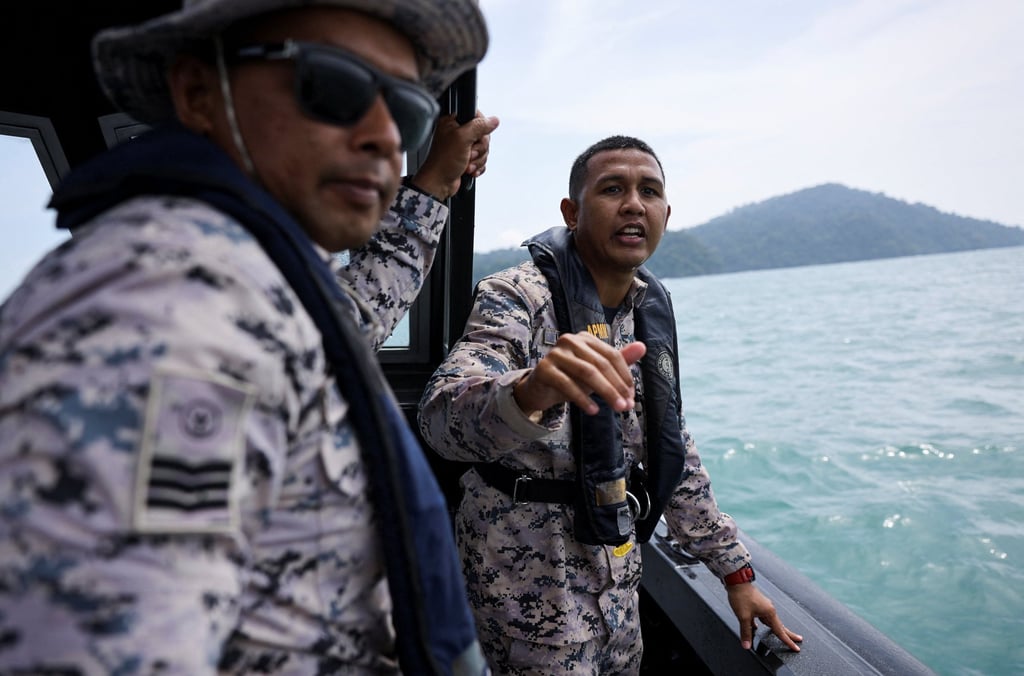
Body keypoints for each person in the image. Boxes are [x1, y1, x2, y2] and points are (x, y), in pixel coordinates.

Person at [0, 1, 500, 674]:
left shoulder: (267, 281)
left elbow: (354, 316)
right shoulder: (172, 301)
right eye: (335, 86)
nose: (384, 135)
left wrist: (432, 188)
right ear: (200, 94)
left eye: (406, 111)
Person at [418, 135, 803, 674]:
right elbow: (440, 420)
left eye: (649, 191)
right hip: (523, 585)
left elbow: (674, 451)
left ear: (666, 213)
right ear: (572, 212)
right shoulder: (518, 296)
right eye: (613, 189)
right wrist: (532, 390)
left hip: (619, 588)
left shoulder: (650, 310)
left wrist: (735, 574)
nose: (633, 204)